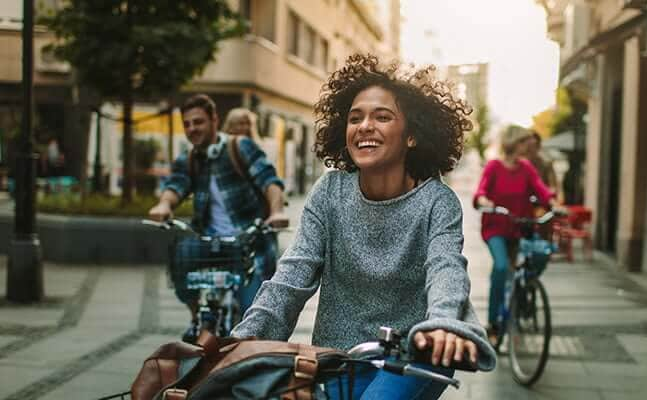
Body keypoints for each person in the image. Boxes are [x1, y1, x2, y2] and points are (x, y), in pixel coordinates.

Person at [230, 54, 496, 399]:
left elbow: (446, 269)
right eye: (355, 118)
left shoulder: (437, 201)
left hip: (416, 353)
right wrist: (244, 341)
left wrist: (442, 324)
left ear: (412, 136)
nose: (365, 126)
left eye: (382, 117)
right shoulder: (329, 192)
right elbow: (292, 276)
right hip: (340, 357)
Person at [148, 94, 287, 343]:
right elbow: (176, 185)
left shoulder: (239, 147)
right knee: (181, 255)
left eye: (198, 122)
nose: (192, 129)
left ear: (214, 120)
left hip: (248, 242)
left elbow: (269, 181)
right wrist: (163, 205)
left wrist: (276, 212)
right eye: (187, 124)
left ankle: (248, 357)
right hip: (211, 241)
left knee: (250, 313)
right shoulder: (189, 159)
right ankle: (196, 317)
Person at [472, 125, 557, 347]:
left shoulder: (526, 168)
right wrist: (483, 201)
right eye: (523, 142)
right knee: (500, 267)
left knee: (539, 256)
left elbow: (541, 190)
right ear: (513, 143)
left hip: (519, 227)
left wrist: (554, 203)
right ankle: (493, 324)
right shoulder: (494, 166)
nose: (528, 145)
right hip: (495, 228)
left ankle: (521, 297)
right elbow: (481, 191)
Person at [524, 131, 561, 202]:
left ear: (538, 147)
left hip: (541, 204)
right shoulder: (518, 164)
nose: (531, 150)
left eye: (534, 146)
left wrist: (550, 194)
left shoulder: (546, 163)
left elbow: (553, 186)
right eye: (529, 147)